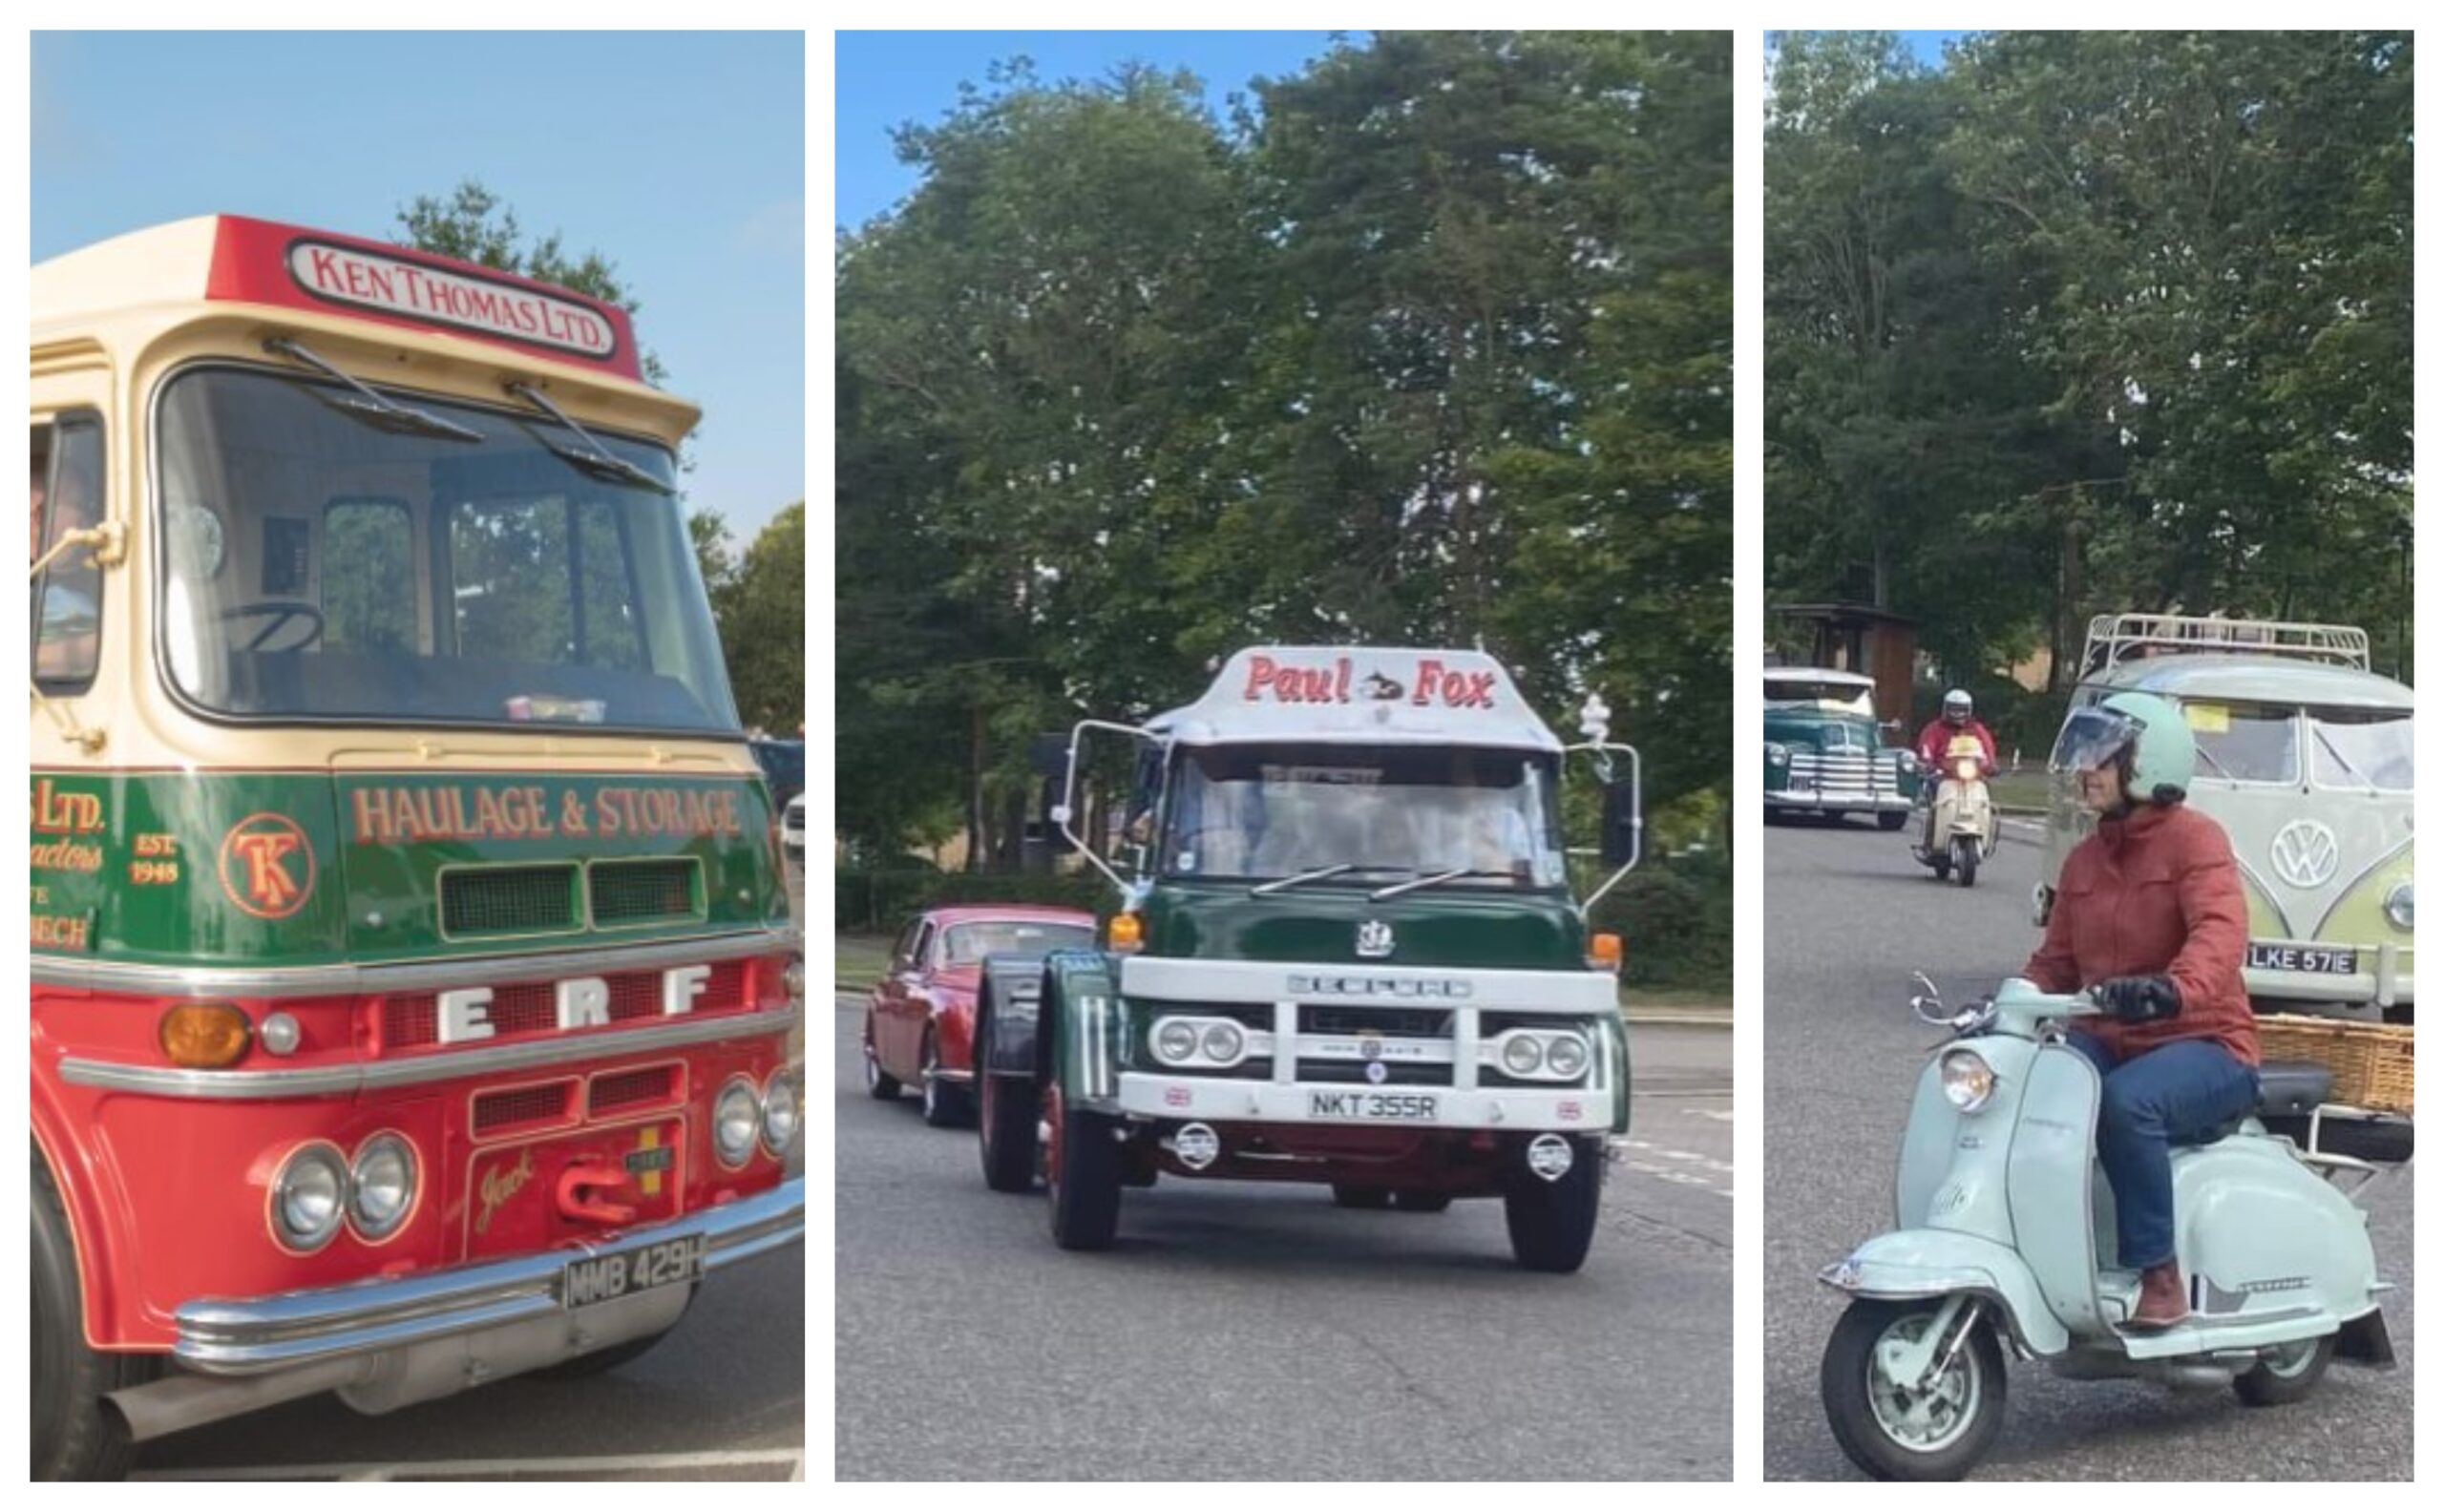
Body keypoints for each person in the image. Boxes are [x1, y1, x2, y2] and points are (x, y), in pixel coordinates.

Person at [2023, 690, 2259, 1330]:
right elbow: (2056, 963)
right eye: (2085, 753)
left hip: (2206, 1043)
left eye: (2102, 754)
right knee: (2033, 1084)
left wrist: (2173, 989)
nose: (2086, 769)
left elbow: (2220, 931)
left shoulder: (2196, 841)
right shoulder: (2084, 860)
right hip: (2111, 1036)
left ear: (2149, 762)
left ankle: (2160, 1276)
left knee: (2128, 1104)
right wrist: (2006, 1007)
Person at [1914, 688, 1997, 771]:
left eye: (1961, 709)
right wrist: (1927, 762)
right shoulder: (1934, 729)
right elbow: (1926, 747)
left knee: (1984, 784)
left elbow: (1988, 746)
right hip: (1943, 774)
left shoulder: (1976, 728)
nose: (1957, 713)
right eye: (1953, 709)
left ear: (1969, 709)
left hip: (1974, 771)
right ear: (1945, 708)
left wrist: (1992, 764)